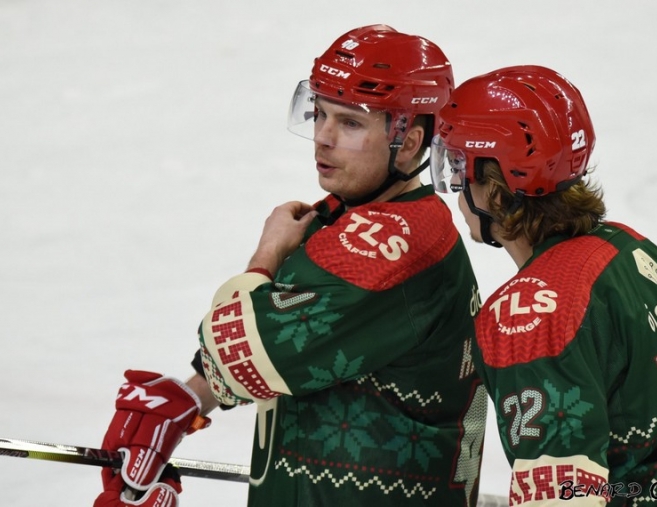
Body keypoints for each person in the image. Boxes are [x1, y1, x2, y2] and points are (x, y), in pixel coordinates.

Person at [93, 25, 487, 507]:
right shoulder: (355, 218)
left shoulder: (392, 244)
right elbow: (297, 346)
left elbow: (241, 351)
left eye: (350, 123)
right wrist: (192, 396)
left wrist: (266, 257)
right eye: (320, 113)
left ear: (407, 143)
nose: (322, 138)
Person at [428, 65, 657, 506]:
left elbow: (563, 498)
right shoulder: (628, 247)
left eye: (459, 166)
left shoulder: (528, 316)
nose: (453, 185)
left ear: (498, 191)